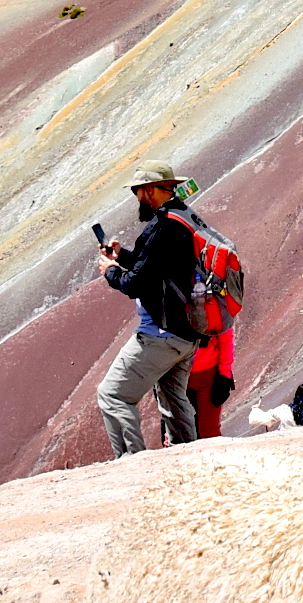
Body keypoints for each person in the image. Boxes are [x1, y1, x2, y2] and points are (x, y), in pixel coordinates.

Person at [95, 161, 206, 457]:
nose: (137, 199)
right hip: (187, 333)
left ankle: (130, 462)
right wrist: (123, 256)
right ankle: (188, 457)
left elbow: (136, 284)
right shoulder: (184, 218)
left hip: (160, 334)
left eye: (137, 192)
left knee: (112, 395)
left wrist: (110, 270)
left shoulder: (162, 228)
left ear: (148, 190)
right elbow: (157, 271)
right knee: (173, 398)